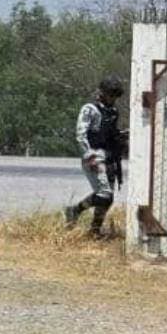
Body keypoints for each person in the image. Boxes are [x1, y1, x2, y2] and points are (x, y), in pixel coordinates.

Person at [65, 75, 128, 237]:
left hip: (110, 156)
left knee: (108, 198)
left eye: (116, 95)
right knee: (104, 194)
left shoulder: (113, 111)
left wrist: (121, 136)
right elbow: (81, 134)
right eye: (111, 94)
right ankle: (75, 210)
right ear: (102, 93)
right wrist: (89, 155)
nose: (113, 98)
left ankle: (94, 231)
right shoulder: (89, 109)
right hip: (94, 155)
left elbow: (110, 134)